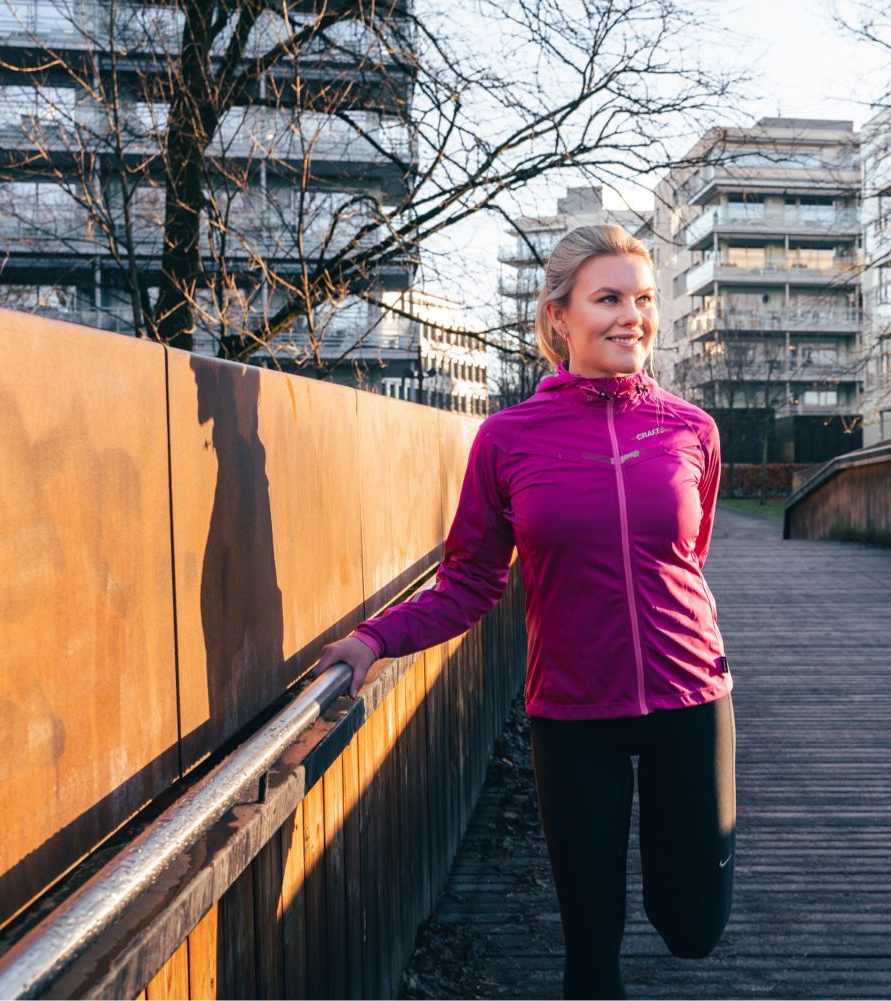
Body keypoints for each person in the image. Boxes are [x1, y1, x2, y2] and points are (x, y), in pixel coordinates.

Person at [315, 223, 735, 999]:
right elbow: (470, 582)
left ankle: (670, 882)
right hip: (573, 714)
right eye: (607, 298)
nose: (630, 318)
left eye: (642, 299)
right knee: (590, 949)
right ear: (559, 316)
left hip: (689, 699)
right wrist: (375, 638)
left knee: (692, 925)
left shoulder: (691, 431)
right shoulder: (508, 441)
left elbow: (690, 555)